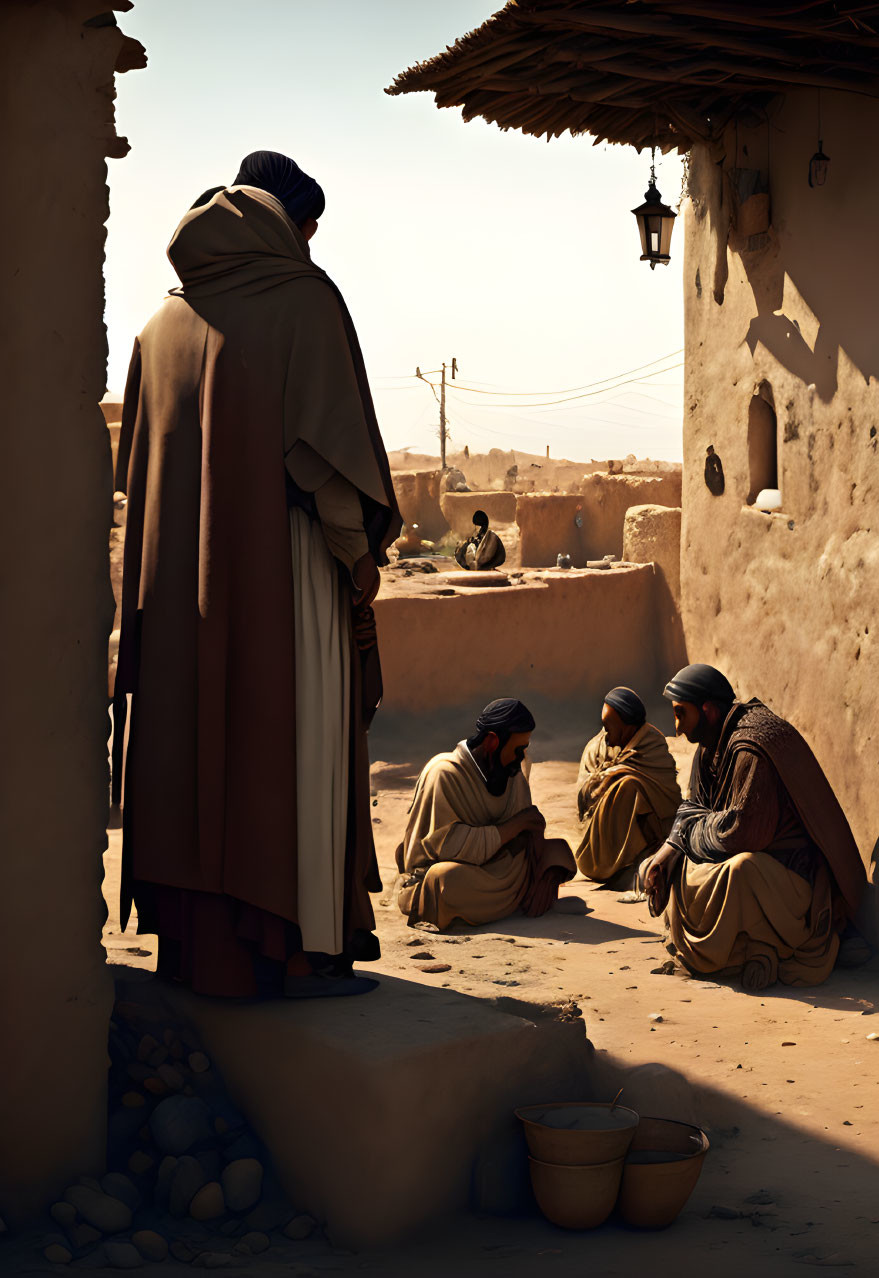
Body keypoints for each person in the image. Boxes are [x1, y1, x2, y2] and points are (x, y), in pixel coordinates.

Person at [113, 151, 399, 999]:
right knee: (294, 753)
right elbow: (332, 466)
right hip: (285, 576)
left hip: (176, 599)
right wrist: (356, 563)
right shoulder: (302, 300)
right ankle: (297, 948)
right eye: (307, 229)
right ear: (290, 224)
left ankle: (202, 950)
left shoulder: (161, 326)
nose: (310, 245)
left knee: (192, 751)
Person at [635, 664, 866, 991]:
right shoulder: (710, 747)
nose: (677, 728)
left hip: (793, 882)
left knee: (740, 871)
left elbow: (744, 833)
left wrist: (692, 830)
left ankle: (758, 949)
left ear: (708, 710)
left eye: (680, 714)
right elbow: (693, 811)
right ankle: (747, 950)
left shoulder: (750, 747)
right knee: (676, 863)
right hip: (742, 861)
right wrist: (665, 854)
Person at [394, 699, 575, 929]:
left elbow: (525, 838)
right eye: (518, 750)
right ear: (492, 742)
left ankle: (517, 896)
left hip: (500, 871)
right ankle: (513, 900)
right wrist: (516, 826)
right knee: (444, 880)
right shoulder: (445, 773)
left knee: (558, 854)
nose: (521, 758)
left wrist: (543, 870)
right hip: (459, 872)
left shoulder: (512, 774)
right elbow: (449, 846)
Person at [572, 687, 682, 887]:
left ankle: (636, 859)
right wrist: (604, 778)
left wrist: (619, 775)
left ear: (628, 727)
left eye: (609, 726)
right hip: (596, 839)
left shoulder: (653, 745)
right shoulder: (596, 748)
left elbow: (669, 796)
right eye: (603, 725)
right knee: (628, 783)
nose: (605, 733)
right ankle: (610, 863)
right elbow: (583, 796)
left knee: (630, 785)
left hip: (650, 835)